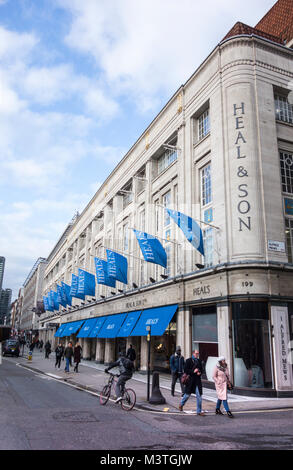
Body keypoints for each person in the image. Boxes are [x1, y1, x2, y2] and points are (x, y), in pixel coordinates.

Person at [179, 350, 205, 416]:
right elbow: (186, 370)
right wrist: (193, 371)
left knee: (199, 396)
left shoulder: (199, 361)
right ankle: (181, 404)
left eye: (198, 353)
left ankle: (199, 411)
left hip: (197, 382)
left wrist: (199, 372)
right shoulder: (188, 361)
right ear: (193, 353)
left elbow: (202, 369)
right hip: (190, 381)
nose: (197, 354)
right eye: (196, 353)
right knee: (187, 395)